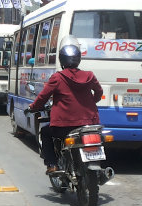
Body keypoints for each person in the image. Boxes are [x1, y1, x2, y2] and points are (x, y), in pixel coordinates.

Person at [27, 36, 103, 174]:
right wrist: (90, 103)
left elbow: (43, 97)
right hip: (89, 124)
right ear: (78, 58)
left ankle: (52, 164)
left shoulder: (58, 77)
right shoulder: (89, 75)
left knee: (45, 132)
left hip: (64, 126)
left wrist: (33, 107)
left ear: (61, 59)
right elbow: (99, 92)